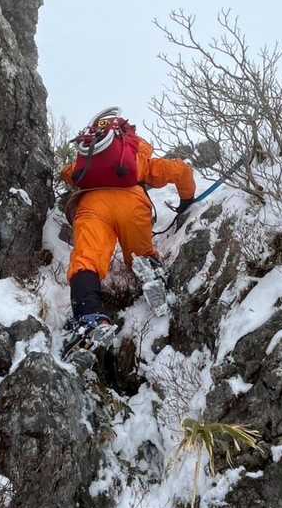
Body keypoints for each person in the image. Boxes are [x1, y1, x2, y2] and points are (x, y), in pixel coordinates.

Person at [61, 109, 196, 347]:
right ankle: (148, 271)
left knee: (87, 261)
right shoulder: (137, 158)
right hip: (132, 205)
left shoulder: (89, 158)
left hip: (92, 206)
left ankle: (90, 318)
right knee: (140, 253)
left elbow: (70, 174)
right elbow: (179, 171)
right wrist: (187, 199)